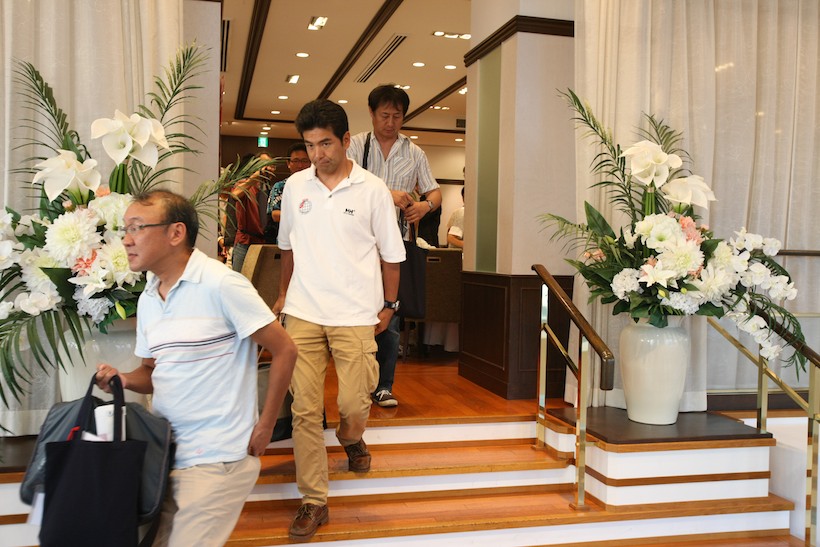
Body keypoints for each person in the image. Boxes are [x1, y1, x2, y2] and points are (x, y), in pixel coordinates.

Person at [95, 189, 297, 547]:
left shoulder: (221, 284)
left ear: (176, 233)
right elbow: (152, 372)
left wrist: (266, 425)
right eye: (125, 229)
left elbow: (285, 349)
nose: (126, 239)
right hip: (166, 455)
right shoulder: (149, 297)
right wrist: (123, 379)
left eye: (137, 227)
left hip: (217, 458)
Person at [273, 99, 405, 542]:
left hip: (355, 314)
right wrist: (282, 296)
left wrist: (389, 306)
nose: (317, 154)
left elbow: (391, 256)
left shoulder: (373, 190)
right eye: (310, 145)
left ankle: (351, 437)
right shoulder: (295, 186)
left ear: (346, 140)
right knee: (305, 410)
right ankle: (314, 499)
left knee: (353, 403)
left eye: (325, 144)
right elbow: (287, 249)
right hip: (303, 313)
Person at [347, 84, 441, 408]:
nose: (390, 122)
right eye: (384, 115)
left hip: (396, 244)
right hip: (358, 242)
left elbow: (434, 192)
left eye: (397, 116)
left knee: (391, 312)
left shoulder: (414, 153)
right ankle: (357, 382)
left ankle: (383, 385)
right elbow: (344, 182)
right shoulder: (355, 146)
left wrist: (425, 206)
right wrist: (388, 194)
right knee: (356, 312)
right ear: (372, 114)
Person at [231, 153, 273, 273]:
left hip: (264, 244)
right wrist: (253, 179)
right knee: (239, 280)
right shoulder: (245, 184)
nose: (267, 169)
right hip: (245, 243)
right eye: (263, 165)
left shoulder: (272, 189)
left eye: (270, 166)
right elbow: (235, 195)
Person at [266, 142, 310, 244]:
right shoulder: (281, 186)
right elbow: (275, 215)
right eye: (296, 161)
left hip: (311, 242)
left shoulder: (317, 186)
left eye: (304, 161)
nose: (300, 165)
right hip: (287, 241)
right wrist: (305, 215)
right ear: (288, 163)